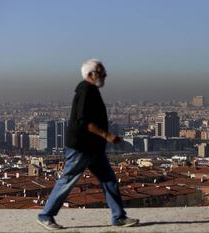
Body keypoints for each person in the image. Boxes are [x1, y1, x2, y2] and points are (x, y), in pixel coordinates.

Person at [37, 59, 139, 230]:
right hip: (82, 148)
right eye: (101, 70)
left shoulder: (90, 90)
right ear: (91, 74)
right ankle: (46, 215)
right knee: (68, 180)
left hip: (93, 148)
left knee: (109, 180)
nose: (105, 74)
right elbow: (84, 121)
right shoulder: (86, 91)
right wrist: (107, 135)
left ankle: (118, 217)